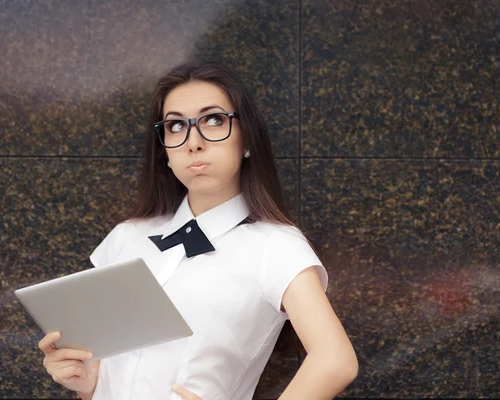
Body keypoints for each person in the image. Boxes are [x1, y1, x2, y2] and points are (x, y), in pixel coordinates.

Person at [37, 62, 358, 399]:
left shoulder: (274, 246)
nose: (193, 142)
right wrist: (89, 385)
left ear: (246, 137)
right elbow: (110, 374)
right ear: (165, 151)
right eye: (176, 126)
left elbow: (335, 360)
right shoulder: (126, 238)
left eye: (214, 120)